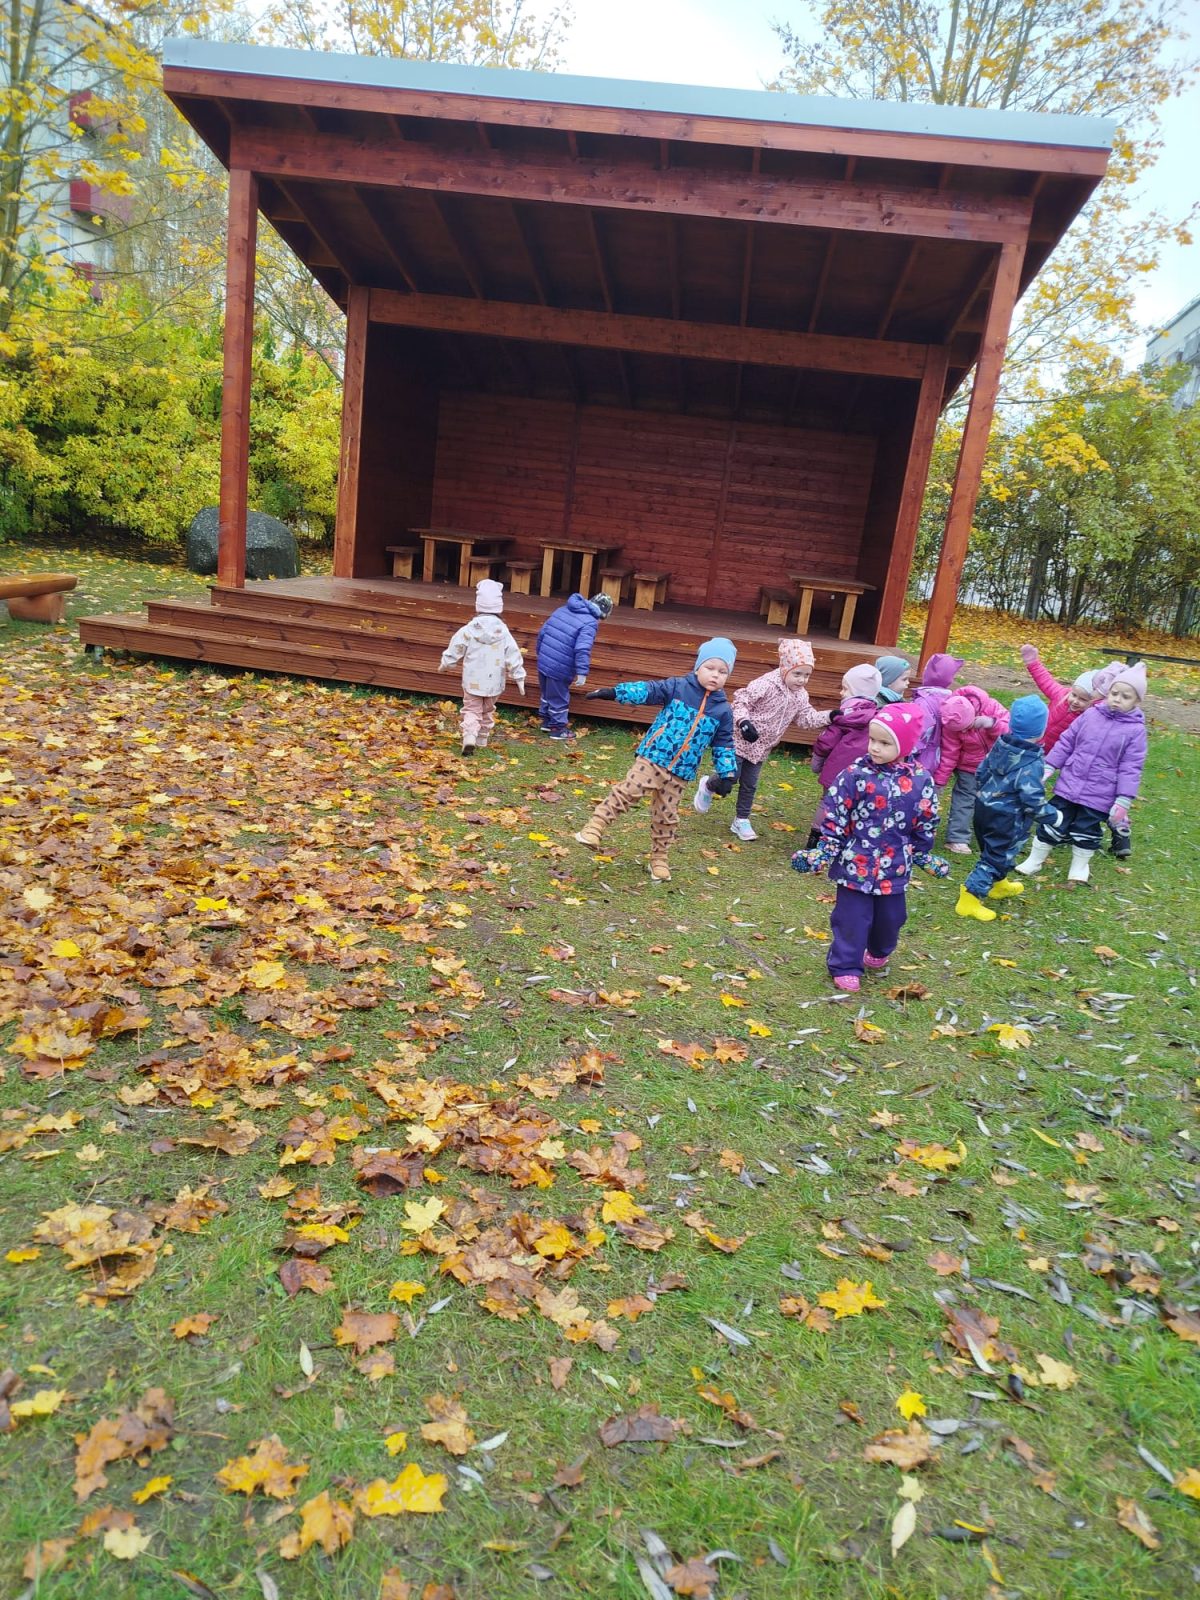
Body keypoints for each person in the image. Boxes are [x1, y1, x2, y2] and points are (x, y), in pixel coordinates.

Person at [791, 703, 948, 992]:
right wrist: (826, 850)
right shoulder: (855, 774)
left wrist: (921, 851)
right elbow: (836, 812)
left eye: (885, 743)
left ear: (906, 745)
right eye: (873, 739)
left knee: (892, 919)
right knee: (851, 919)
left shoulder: (920, 780)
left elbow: (927, 817)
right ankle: (845, 965)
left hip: (895, 866)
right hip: (855, 863)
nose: (875, 747)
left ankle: (878, 949)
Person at [573, 638, 737, 881]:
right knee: (628, 791)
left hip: (681, 771)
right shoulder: (678, 687)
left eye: (722, 671)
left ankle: (659, 858)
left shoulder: (723, 710)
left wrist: (727, 774)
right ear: (697, 668)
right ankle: (594, 828)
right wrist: (615, 693)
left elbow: (724, 743)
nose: (715, 675)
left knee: (667, 816)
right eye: (710, 667)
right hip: (653, 757)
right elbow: (648, 691)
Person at [1017, 662, 1148, 885]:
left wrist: (1124, 799)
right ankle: (1034, 860)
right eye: (1114, 693)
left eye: (1125, 697)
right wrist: (1049, 766)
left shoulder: (1135, 731)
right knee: (1053, 820)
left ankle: (1079, 867)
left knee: (1086, 830)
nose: (1117, 699)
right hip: (1069, 783)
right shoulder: (1090, 715)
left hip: (1100, 792)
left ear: (1137, 701)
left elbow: (1131, 767)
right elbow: (1066, 742)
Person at [692, 636, 830, 841]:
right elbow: (741, 700)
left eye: (807, 675)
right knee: (730, 777)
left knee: (750, 784)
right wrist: (743, 722)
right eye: (797, 674)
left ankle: (741, 819)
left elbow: (805, 718)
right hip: (740, 740)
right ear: (785, 668)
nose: (802, 680)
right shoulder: (765, 684)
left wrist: (830, 716)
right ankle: (709, 785)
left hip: (761, 748)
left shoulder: (801, 695)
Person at [955, 695, 1060, 921]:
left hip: (983, 809)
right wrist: (1052, 816)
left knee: (993, 851)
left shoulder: (1000, 745)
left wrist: (986, 794)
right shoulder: (1031, 762)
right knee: (996, 857)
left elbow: (981, 771)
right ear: (1041, 731)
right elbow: (1032, 799)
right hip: (1007, 819)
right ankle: (969, 898)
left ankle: (999, 884)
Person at [438, 578, 525, 755]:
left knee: (472, 708)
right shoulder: (504, 632)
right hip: (494, 682)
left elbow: (456, 646)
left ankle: (470, 736)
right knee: (488, 709)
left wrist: (446, 663)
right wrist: (519, 676)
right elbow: (513, 654)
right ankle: (482, 738)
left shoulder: (469, 629)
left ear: (478, 606)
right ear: (499, 607)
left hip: (473, 679)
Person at [804, 663, 883, 848]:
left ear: (855, 691)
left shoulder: (843, 717)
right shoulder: (878, 718)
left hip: (836, 774)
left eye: (845, 689)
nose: (841, 693)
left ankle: (816, 838)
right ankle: (847, 842)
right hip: (865, 775)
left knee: (827, 803)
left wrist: (817, 762)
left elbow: (826, 742)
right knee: (856, 806)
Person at [933, 685, 1010, 852]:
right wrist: (940, 781)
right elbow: (949, 754)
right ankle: (957, 838)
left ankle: (995, 835)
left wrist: (992, 724)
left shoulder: (991, 707)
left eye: (967, 727)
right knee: (964, 799)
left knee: (995, 800)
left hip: (997, 765)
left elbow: (1011, 731)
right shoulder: (950, 722)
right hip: (968, 768)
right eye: (961, 730)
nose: (965, 731)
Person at [535, 591, 614, 740]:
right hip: (560, 665)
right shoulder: (590, 622)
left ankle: (546, 721)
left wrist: (540, 652)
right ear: (603, 614)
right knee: (559, 697)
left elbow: (543, 632)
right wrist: (582, 672)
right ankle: (558, 729)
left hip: (545, 659)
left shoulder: (563, 609)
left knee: (547, 693)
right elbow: (582, 648)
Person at [910, 652, 964, 775]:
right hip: (937, 756)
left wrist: (906, 751)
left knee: (914, 784)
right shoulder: (950, 700)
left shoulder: (923, 702)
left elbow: (919, 731)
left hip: (920, 758)